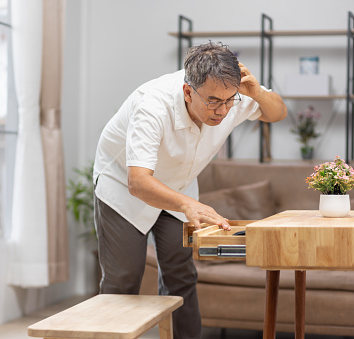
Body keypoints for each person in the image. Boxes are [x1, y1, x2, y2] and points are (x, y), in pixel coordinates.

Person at [92, 41, 286, 339]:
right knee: (123, 280)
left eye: (228, 101)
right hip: (123, 187)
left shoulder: (229, 95)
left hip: (178, 187)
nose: (222, 111)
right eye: (212, 102)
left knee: (181, 276)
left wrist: (256, 93)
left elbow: (277, 114)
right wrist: (186, 205)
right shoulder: (152, 105)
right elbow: (138, 181)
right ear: (187, 92)